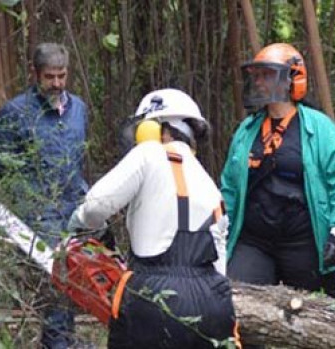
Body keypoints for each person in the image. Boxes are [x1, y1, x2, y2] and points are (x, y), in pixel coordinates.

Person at [67, 88, 238, 348]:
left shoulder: (148, 154)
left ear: (158, 129)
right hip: (214, 301)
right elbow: (220, 265)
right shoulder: (210, 185)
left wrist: (79, 224)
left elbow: (94, 207)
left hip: (155, 296)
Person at [221, 43, 335, 301]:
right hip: (254, 241)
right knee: (239, 305)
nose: (259, 82)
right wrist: (219, 227)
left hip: (304, 241)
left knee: (315, 321)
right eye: (257, 75)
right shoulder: (246, 131)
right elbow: (229, 186)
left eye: (267, 74)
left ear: (291, 80)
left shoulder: (321, 129)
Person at [0, 42, 88, 349]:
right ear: (35, 74)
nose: (57, 83)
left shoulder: (79, 109)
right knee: (54, 288)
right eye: (50, 77)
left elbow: (78, 159)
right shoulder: (15, 113)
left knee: (72, 287)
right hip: (36, 218)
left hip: (73, 214)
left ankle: (62, 343)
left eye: (61, 75)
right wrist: (30, 207)